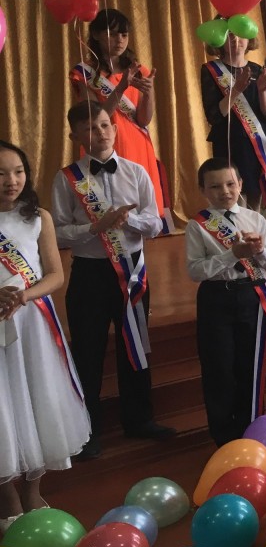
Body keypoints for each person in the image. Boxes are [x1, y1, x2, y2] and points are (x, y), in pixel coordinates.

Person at [50, 101, 175, 460]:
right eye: (90, 128)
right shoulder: (66, 179)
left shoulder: (137, 172)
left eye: (105, 125)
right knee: (87, 352)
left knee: (134, 346)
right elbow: (57, 233)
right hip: (89, 273)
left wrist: (127, 221)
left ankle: (139, 419)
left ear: (116, 128)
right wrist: (95, 227)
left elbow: (155, 223)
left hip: (131, 272)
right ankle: (86, 430)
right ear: (75, 136)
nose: (100, 133)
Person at [0, 141, 91, 534]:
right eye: (1, 173)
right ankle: (7, 496)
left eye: (18, 171)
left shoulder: (38, 217)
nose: (11, 180)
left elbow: (55, 274)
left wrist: (24, 295)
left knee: (37, 401)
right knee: (4, 407)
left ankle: (33, 489)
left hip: (32, 324)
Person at [185, 158, 266, 446]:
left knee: (250, 365)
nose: (225, 191)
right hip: (216, 298)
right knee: (218, 367)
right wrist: (232, 254)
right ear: (203, 190)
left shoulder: (255, 219)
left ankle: (252, 429)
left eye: (230, 184)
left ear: (241, 184)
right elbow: (195, 271)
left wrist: (259, 250)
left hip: (251, 296)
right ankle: (223, 437)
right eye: (215, 186)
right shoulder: (197, 225)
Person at [71, 9, 174, 232]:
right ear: (96, 34)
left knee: (138, 210)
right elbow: (95, 119)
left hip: (137, 144)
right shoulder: (86, 73)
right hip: (105, 142)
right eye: (113, 34)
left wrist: (148, 93)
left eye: (124, 35)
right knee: (107, 210)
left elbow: (144, 119)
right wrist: (120, 88)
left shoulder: (139, 70)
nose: (119, 40)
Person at [201, 28, 266, 211]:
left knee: (254, 195)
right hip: (228, 142)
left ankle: (253, 226)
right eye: (229, 34)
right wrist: (236, 90)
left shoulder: (258, 70)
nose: (236, 39)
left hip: (254, 143)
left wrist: (262, 91)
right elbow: (214, 116)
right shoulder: (211, 70)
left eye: (240, 33)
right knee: (230, 196)